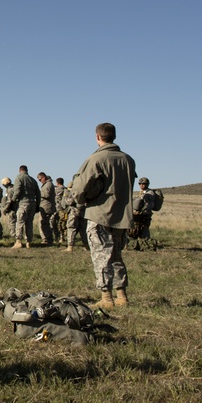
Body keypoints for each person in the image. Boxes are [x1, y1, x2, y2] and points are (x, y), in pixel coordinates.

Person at [74, 122, 136, 310]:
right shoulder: (128, 160)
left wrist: (81, 199)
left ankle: (106, 297)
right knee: (116, 255)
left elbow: (79, 188)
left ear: (98, 137)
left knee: (101, 256)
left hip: (99, 213)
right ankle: (122, 295)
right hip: (121, 215)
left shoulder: (96, 159)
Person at [9, 165, 39, 248]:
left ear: (19, 170)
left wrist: (13, 201)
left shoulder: (19, 178)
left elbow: (17, 190)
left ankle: (18, 241)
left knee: (20, 222)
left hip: (23, 203)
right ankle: (28, 242)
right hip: (32, 203)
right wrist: (37, 205)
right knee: (29, 223)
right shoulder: (33, 180)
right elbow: (38, 193)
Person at [130, 177, 156, 248]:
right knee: (137, 229)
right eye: (140, 184)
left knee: (144, 230)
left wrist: (144, 212)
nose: (142, 185)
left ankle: (147, 245)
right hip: (138, 214)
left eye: (144, 184)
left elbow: (149, 205)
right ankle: (139, 244)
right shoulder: (141, 192)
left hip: (145, 215)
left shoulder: (150, 193)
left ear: (147, 184)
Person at [37, 172, 57, 246]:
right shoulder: (47, 184)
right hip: (45, 206)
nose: (40, 181)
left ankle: (47, 239)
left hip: (47, 207)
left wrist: (38, 193)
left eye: (40, 179)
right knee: (44, 223)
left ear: (43, 177)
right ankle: (47, 239)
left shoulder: (48, 185)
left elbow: (47, 194)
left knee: (44, 224)